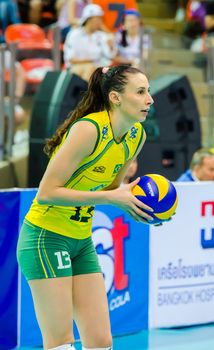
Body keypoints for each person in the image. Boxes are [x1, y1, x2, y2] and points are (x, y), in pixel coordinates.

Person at [17, 64, 155, 350]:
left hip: (81, 240)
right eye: (140, 92)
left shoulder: (136, 136)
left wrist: (136, 207)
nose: (149, 99)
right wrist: (112, 198)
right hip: (45, 237)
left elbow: (108, 191)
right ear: (116, 97)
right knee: (60, 344)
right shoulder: (88, 129)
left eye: (148, 91)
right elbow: (46, 193)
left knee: (101, 341)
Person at [63, 4, 115, 81]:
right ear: (88, 19)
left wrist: (110, 46)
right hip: (76, 68)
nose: (100, 22)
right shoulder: (74, 34)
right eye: (97, 19)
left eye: (101, 19)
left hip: (97, 68)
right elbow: (71, 59)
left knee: (94, 70)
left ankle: (86, 92)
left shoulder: (102, 36)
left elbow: (109, 56)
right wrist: (91, 61)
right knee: (90, 69)